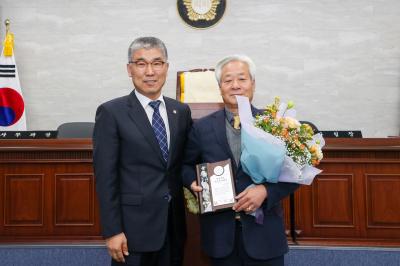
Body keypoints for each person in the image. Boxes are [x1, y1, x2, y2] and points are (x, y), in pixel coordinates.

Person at [182, 55, 299, 266]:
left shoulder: (276, 124)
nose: (235, 85)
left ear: (253, 83)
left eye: (242, 79)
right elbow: (184, 165)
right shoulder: (201, 128)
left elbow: (296, 171)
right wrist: (192, 182)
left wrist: (265, 191)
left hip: (264, 235)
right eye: (227, 80)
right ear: (220, 87)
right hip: (220, 237)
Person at [93, 37, 192, 266]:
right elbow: (105, 178)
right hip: (131, 231)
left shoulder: (181, 111)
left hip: (173, 226)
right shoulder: (111, 112)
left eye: (157, 63)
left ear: (166, 67)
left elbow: (183, 163)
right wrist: (112, 230)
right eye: (141, 63)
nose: (150, 71)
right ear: (129, 69)